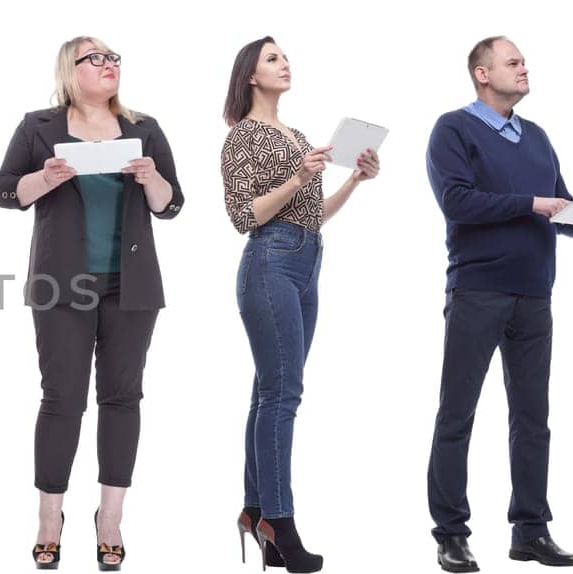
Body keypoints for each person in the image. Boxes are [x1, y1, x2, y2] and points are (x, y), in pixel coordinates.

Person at [425, 36, 573, 574]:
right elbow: (456, 201)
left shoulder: (536, 137)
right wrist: (532, 203)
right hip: (477, 291)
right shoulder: (453, 128)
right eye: (513, 62)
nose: (523, 68)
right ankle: (451, 534)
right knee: (457, 414)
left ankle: (530, 530)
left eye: (523, 62)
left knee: (533, 419)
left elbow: (558, 210)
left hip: (535, 294)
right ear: (483, 74)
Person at [0, 35, 183, 571]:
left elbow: (172, 205)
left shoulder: (144, 127)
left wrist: (152, 180)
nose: (109, 66)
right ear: (70, 69)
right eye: (96, 58)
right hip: (62, 283)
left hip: (133, 283)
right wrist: (44, 176)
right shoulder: (39, 126)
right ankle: (50, 518)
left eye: (114, 58)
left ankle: (111, 519)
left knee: (123, 397)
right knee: (61, 399)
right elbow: (5, 192)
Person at [219, 36, 381, 574]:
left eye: (285, 56)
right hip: (269, 264)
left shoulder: (297, 133)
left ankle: (254, 509)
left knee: (268, 393)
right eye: (272, 58)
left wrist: (353, 179)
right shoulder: (243, 137)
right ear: (250, 77)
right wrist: (299, 176)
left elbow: (312, 214)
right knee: (283, 395)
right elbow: (246, 216)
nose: (284, 63)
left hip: (306, 259)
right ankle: (280, 524)